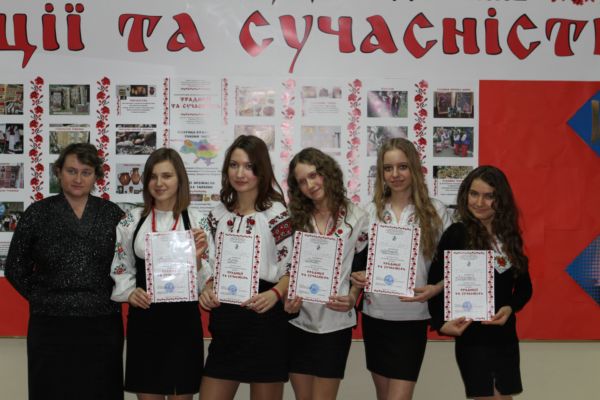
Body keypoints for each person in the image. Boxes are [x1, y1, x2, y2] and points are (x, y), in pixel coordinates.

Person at [5, 143, 125, 400]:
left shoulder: (112, 215)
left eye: (86, 172)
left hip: (102, 324)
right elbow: (14, 266)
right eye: (71, 171)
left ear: (96, 176)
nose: (78, 178)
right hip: (50, 326)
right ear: (58, 172)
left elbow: (127, 265)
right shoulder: (37, 213)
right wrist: (41, 296)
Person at [351, 138, 450, 400]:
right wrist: (358, 276)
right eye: (388, 168)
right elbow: (357, 259)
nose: (395, 174)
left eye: (402, 166)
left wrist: (436, 288)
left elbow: (454, 263)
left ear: (414, 168)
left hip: (412, 317)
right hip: (375, 316)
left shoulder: (435, 211)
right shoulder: (370, 211)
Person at [199, 135, 293, 400]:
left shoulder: (276, 214)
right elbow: (208, 264)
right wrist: (207, 288)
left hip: (265, 319)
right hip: (226, 322)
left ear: (261, 171)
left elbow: (293, 265)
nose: (240, 173)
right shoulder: (217, 215)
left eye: (249, 166)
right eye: (234, 165)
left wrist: (275, 294)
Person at [110, 148, 208, 400]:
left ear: (180, 179)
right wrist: (130, 292)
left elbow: (208, 281)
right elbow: (121, 265)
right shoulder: (131, 221)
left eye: (167, 176)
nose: (159, 183)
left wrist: (197, 259)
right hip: (145, 321)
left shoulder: (198, 222)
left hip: (183, 323)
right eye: (153, 177)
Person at [427, 166, 533, 399]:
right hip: (472, 337)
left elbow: (525, 289)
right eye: (474, 194)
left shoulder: (509, 236)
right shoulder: (456, 234)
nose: (479, 202)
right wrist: (441, 323)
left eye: (488, 196)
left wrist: (510, 308)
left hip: (504, 336)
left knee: (504, 397)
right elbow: (435, 283)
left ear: (500, 199)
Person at [284, 148, 369, 400]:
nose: (310, 185)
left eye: (314, 175)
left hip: (335, 321)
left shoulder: (357, 217)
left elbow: (361, 266)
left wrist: (353, 296)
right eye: (302, 181)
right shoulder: (293, 218)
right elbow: (285, 265)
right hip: (297, 320)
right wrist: (285, 299)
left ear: (327, 173)